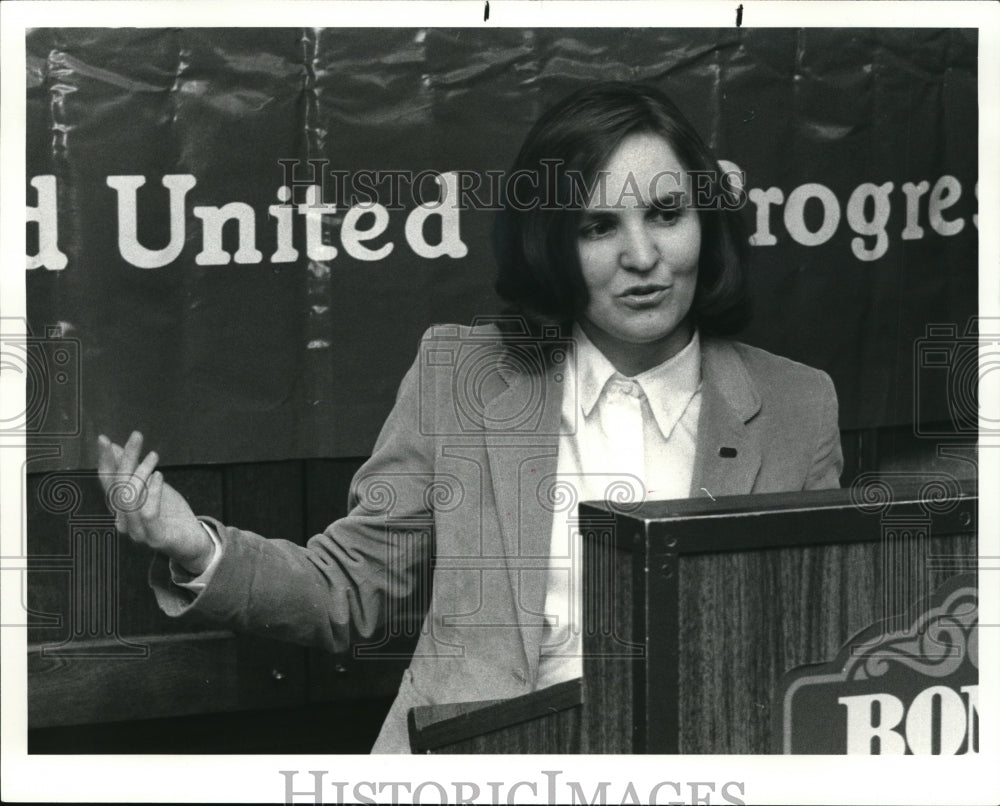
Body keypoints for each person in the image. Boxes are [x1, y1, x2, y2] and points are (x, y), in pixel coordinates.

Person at [97, 81, 843, 753]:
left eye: (665, 213)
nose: (642, 255)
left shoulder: (798, 406)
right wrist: (197, 547)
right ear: (552, 243)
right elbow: (349, 589)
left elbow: (816, 648)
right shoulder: (464, 376)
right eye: (598, 226)